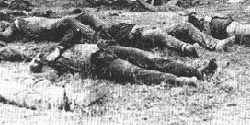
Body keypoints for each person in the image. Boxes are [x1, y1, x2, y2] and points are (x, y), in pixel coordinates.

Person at [0, 10, 232, 57]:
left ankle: (214, 44)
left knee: (184, 26)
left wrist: (99, 28)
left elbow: (84, 18)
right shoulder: (73, 29)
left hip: (127, 28)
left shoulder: (81, 20)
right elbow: (6, 37)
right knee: (158, 35)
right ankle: (187, 49)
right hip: (132, 33)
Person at [29, 41, 217, 86]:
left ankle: (198, 71)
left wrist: (59, 48)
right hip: (101, 64)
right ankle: (181, 80)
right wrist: (34, 69)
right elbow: (49, 78)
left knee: (151, 59)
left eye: (38, 55)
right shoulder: (55, 66)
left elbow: (74, 30)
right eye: (38, 59)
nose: (39, 57)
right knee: (137, 73)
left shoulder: (59, 46)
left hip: (108, 49)